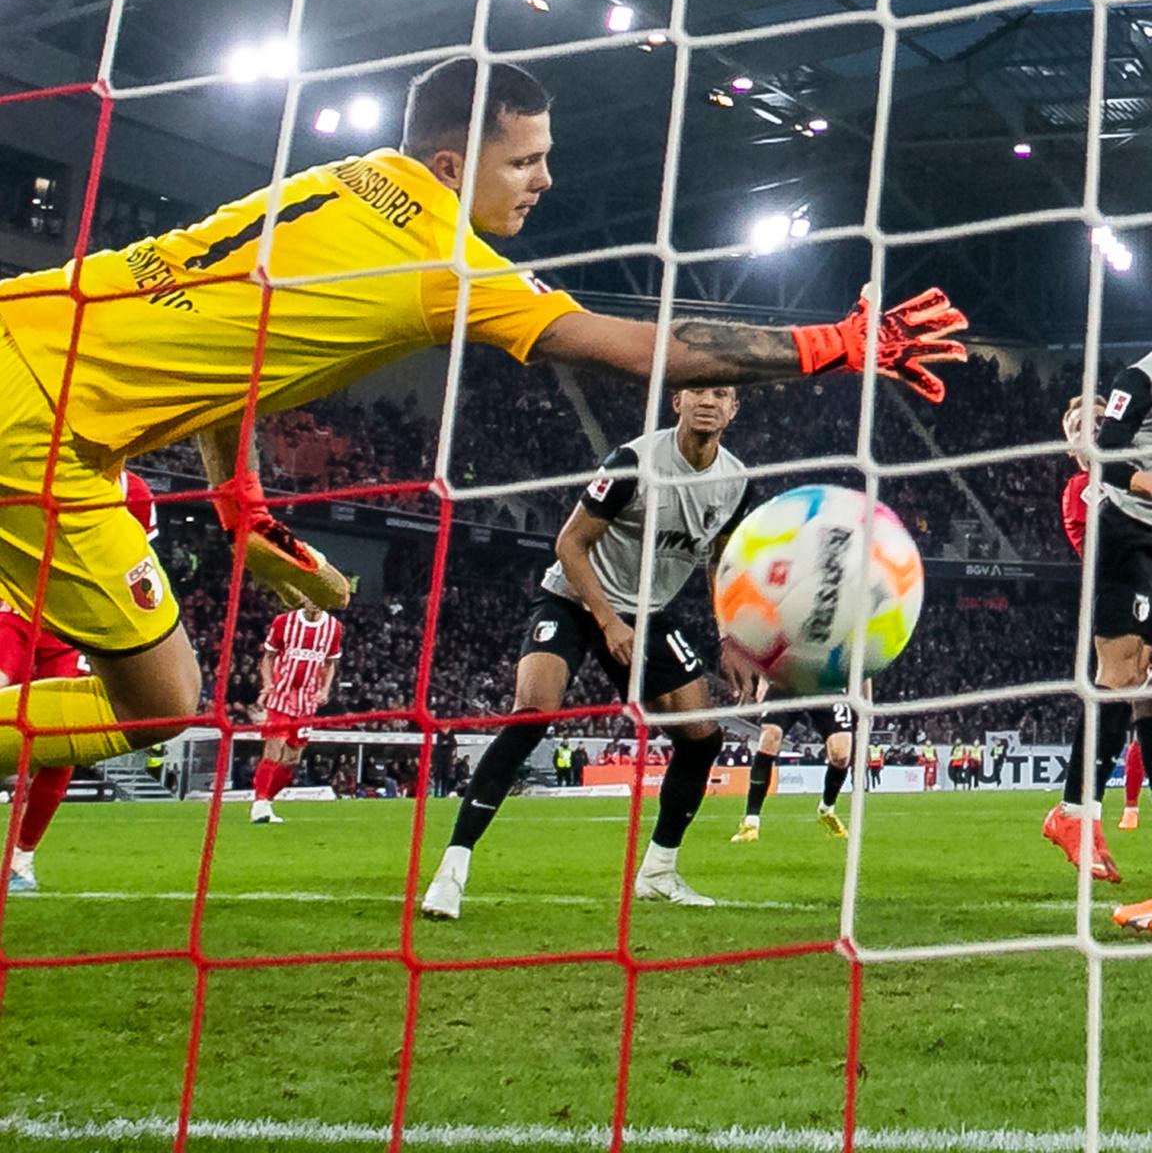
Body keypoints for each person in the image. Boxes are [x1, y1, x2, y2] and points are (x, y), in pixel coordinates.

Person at [0, 55, 967, 779]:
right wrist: (833, 345)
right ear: (456, 165)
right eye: (527, 161)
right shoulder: (446, 265)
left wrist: (237, 499)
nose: (545, 181)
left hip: (29, 324)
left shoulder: (344, 179)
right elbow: (645, 351)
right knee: (163, 704)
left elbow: (234, 345)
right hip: (40, 429)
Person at [421, 386, 758, 919]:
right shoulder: (633, 462)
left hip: (647, 613)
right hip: (575, 599)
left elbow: (722, 560)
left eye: (721, 393)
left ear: (734, 409)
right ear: (677, 401)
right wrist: (607, 619)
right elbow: (568, 544)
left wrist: (728, 637)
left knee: (701, 739)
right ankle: (450, 872)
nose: (708, 401)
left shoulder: (736, 483)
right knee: (533, 713)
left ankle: (658, 873)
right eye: (697, 390)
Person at [2, 470, 157, 893]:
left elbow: (138, 570)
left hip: (74, 630)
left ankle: (20, 861)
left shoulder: (134, 492)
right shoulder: (31, 462)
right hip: (13, 614)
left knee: (64, 744)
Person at [1042, 390, 1149, 884]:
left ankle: (1085, 817)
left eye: (1100, 421)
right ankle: (1079, 812)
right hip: (1116, 592)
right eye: (1080, 426)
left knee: (1140, 699)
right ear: (1071, 448)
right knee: (1123, 685)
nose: (1092, 430)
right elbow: (1099, 559)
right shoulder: (1083, 490)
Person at [250, 600, 342, 825]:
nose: (315, 602)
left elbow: (330, 663)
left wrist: (324, 689)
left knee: (292, 760)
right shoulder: (284, 622)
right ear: (303, 597)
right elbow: (269, 657)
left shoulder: (333, 627)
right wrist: (268, 684)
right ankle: (259, 803)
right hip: (281, 695)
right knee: (274, 747)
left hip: (307, 702)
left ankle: (267, 802)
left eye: (319, 597)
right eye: (311, 596)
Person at [730, 698, 856, 842]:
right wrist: (763, 679)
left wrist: (867, 701)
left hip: (827, 687)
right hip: (788, 684)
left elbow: (865, 676)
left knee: (841, 756)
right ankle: (750, 823)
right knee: (770, 737)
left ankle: (826, 810)